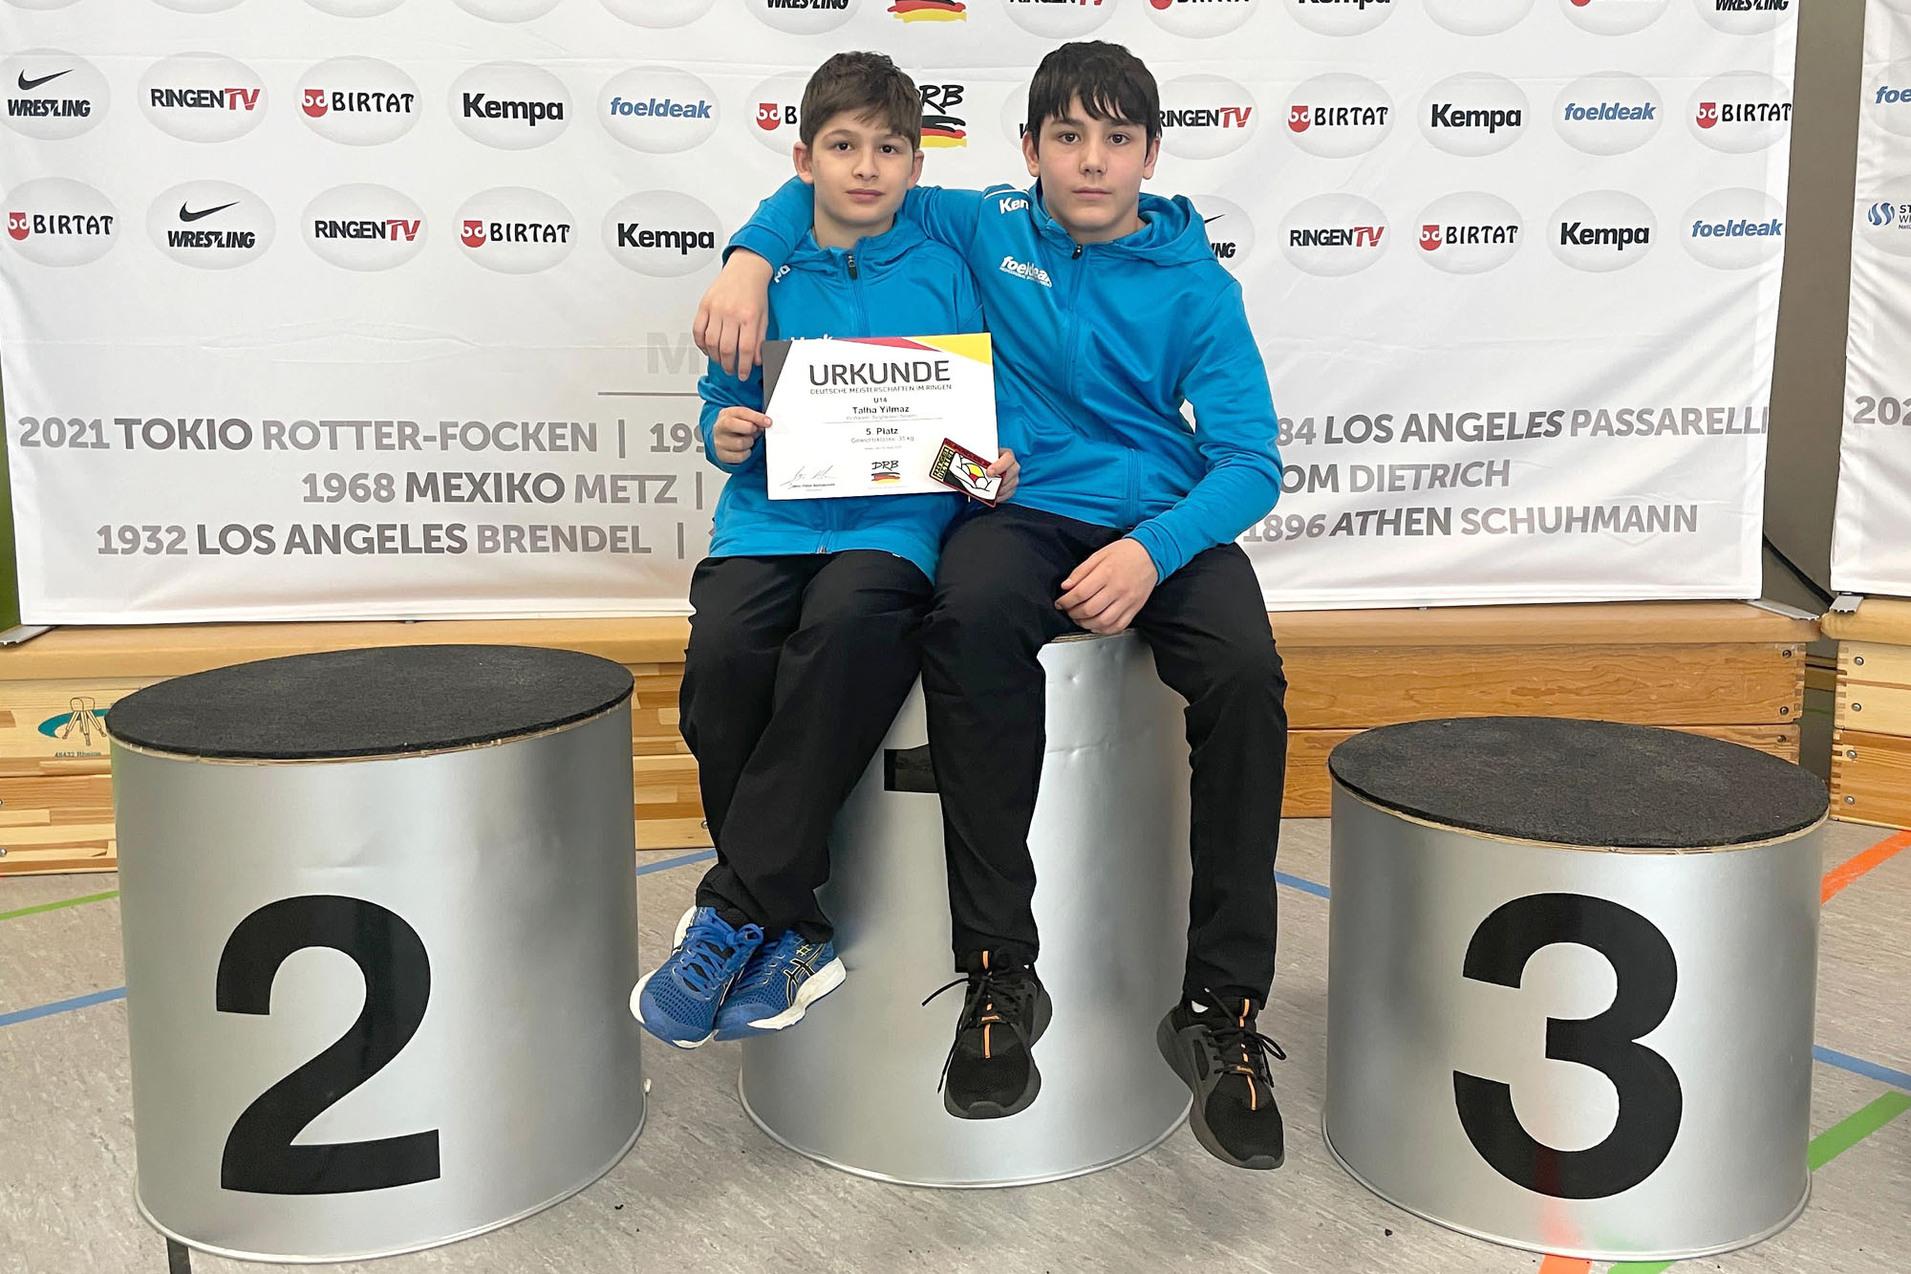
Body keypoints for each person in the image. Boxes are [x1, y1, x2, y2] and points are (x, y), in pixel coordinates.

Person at [694, 41, 1290, 1170]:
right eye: (1068, 136)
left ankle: (1222, 1007)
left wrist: (1152, 552)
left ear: (1150, 155)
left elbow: (1251, 462)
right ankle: (998, 972)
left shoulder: (1199, 286)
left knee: (1246, 678)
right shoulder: (981, 222)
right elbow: (842, 184)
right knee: (965, 621)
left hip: (1159, 520)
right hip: (1018, 502)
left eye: (1117, 138)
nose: (1092, 160)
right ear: (1028, 150)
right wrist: (747, 260)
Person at [634, 51, 1015, 1050]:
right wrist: (723, 434)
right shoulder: (768, 274)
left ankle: (733, 912)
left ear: (916, 165)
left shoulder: (950, 262)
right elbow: (722, 405)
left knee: (845, 631)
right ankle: (794, 925)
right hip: (769, 519)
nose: (866, 167)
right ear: (804, 159)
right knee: (724, 661)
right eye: (843, 147)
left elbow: (971, 415)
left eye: (889, 149)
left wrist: (987, 468)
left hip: (894, 525)